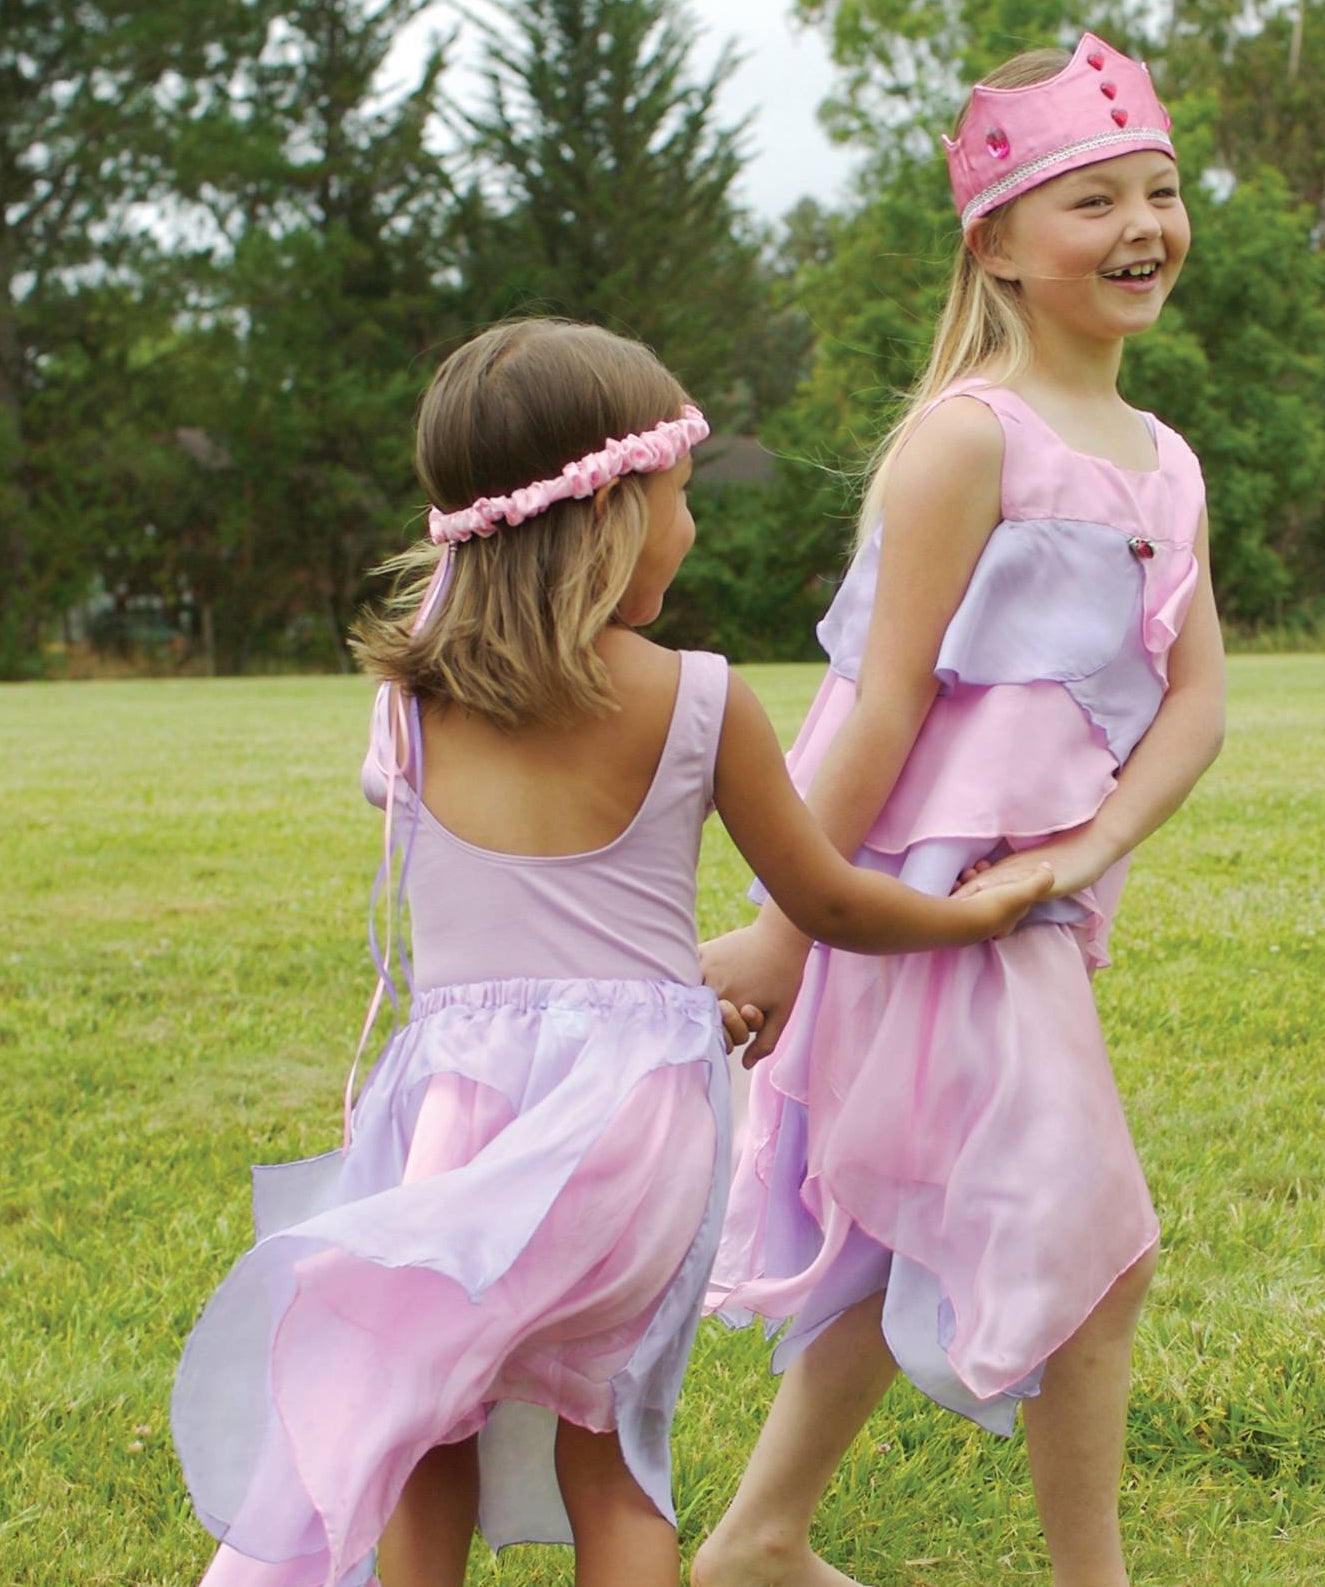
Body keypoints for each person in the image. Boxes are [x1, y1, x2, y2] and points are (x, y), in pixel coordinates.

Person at [167, 318, 1051, 1587]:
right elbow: (828, 903)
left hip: (458, 1125)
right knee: (614, 1455)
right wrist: (976, 912)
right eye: (678, 495)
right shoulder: (699, 698)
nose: (688, 527)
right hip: (635, 1133)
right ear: (611, 515)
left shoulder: (407, 712)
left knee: (427, 1434)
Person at [694, 31, 1226, 1587]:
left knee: (901, 1219)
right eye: (1091, 201)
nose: (1140, 227)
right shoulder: (967, 438)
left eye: (1159, 191)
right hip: (913, 905)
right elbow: (879, 704)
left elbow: (1196, 702)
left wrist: (1084, 848)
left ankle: (757, 1537)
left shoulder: (1166, 462)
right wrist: (785, 928)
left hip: (1016, 907)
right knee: (1097, 1249)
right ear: (994, 244)